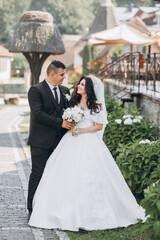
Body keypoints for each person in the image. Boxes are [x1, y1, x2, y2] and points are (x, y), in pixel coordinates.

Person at [28, 75, 145, 231]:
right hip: (70, 141)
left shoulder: (96, 104)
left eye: (82, 84)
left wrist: (82, 130)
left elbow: (98, 126)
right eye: (79, 84)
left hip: (88, 141)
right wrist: (71, 123)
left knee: (89, 174)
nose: (79, 86)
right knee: (63, 173)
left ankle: (92, 214)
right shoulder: (73, 102)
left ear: (88, 88)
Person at [27, 60, 75, 219]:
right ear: (52, 74)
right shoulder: (35, 90)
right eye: (62, 74)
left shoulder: (65, 90)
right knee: (38, 174)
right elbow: (38, 114)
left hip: (59, 141)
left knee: (55, 175)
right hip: (40, 142)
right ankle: (32, 210)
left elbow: (67, 110)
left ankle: (51, 209)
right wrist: (61, 122)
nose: (64, 77)